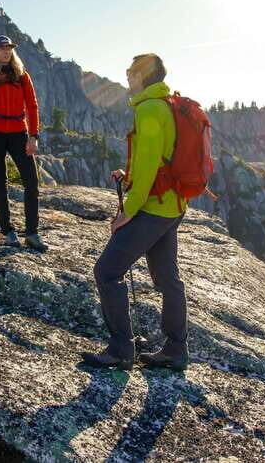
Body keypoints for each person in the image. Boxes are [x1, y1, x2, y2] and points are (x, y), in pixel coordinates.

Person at [81, 54, 189, 371]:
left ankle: (121, 349)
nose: (127, 76)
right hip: (172, 205)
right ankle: (176, 349)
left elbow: (149, 164)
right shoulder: (166, 104)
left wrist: (127, 211)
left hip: (153, 208)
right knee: (168, 278)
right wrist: (128, 178)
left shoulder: (150, 108)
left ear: (143, 75)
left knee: (107, 272)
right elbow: (157, 159)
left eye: (130, 72)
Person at [0, 35, 47, 251]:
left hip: (18, 133)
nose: (6, 52)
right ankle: (8, 231)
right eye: (1, 49)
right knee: (0, 182)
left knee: (31, 181)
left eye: (9, 48)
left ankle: (32, 233)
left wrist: (33, 136)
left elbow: (32, 106)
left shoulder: (22, 76)